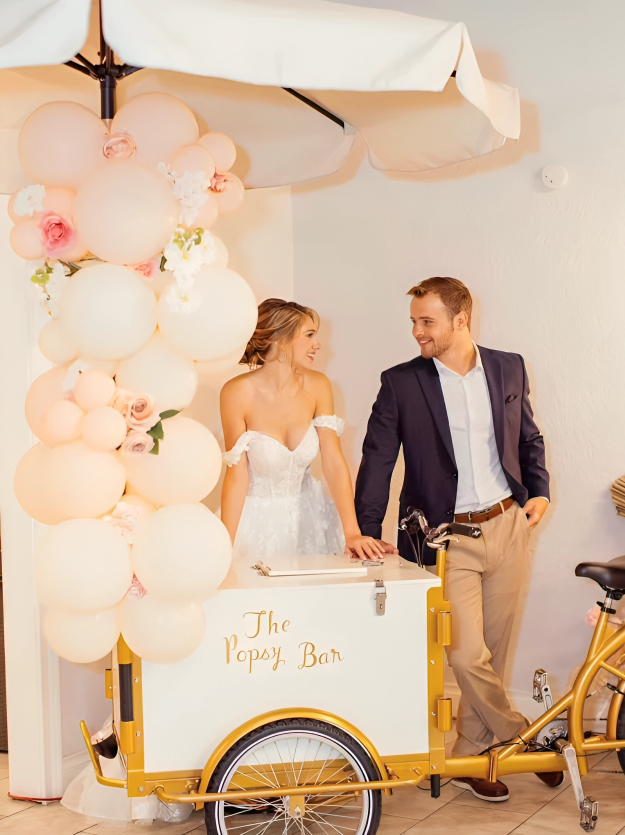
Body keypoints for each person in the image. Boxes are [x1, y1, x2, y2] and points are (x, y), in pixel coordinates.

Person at [354, 276, 558, 802]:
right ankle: (526, 738)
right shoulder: (401, 382)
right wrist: (365, 532)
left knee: (495, 650)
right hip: (444, 537)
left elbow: (528, 436)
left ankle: (475, 754)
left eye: (428, 322)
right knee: (465, 655)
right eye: (415, 322)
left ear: (460, 319)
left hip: (509, 524)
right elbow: (377, 459)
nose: (418, 332)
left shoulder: (508, 366)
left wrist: (539, 490)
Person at [220, 298, 396, 561]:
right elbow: (236, 478)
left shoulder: (318, 386)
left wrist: (352, 532)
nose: (318, 344)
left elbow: (334, 461)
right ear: (281, 338)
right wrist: (223, 548)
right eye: (310, 335)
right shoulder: (236, 393)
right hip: (254, 524)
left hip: (313, 520)